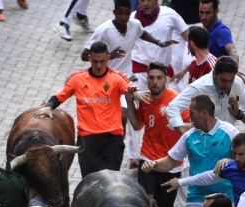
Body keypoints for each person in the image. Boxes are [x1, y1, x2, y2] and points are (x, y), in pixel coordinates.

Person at [80, 0, 179, 170]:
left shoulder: (135, 24)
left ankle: (116, 149)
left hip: (125, 80)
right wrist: (108, 55)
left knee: (123, 116)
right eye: (120, 13)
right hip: (104, 82)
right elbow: (84, 55)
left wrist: (159, 43)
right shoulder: (104, 30)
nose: (124, 17)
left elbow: (141, 33)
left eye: (126, 13)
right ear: (114, 12)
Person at [34, 41, 149, 178]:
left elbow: (129, 88)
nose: (99, 66)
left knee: (111, 180)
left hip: (112, 140)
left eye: (102, 61)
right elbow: (60, 95)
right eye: (95, 61)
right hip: (87, 141)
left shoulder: (116, 77)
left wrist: (136, 94)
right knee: (90, 180)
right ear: (89, 58)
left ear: (108, 59)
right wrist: (48, 107)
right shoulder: (77, 79)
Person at [142, 93, 238, 207]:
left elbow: (244, 159)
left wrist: (229, 160)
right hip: (196, 199)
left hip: (225, 199)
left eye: (192, 113)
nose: (189, 117)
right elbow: (169, 162)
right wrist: (153, 164)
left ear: (204, 113)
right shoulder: (189, 137)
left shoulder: (229, 132)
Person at [127, 0, 188, 168]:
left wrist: (195, 56)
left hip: (162, 74)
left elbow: (187, 35)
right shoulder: (132, 20)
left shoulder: (170, 14)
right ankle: (134, 156)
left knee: (167, 112)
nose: (145, 3)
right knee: (135, 106)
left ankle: (167, 150)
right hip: (139, 72)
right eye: (142, 0)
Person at [125, 61, 189, 207]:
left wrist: (176, 125)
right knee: (143, 201)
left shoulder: (176, 100)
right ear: (146, 79)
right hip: (147, 155)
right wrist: (129, 102)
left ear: (166, 80)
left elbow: (191, 126)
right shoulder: (145, 99)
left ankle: (156, 203)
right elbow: (137, 125)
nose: (155, 82)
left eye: (159, 78)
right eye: (152, 78)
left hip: (171, 161)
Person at [164, 56, 245, 136]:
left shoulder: (237, 82)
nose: (227, 85)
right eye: (223, 80)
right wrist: (184, 135)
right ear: (214, 74)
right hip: (204, 143)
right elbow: (173, 108)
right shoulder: (199, 88)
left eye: (230, 80)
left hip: (229, 140)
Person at [169, 0, 202, 92]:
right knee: (176, 61)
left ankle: (196, 91)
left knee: (190, 61)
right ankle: (177, 94)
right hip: (177, 20)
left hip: (195, 21)